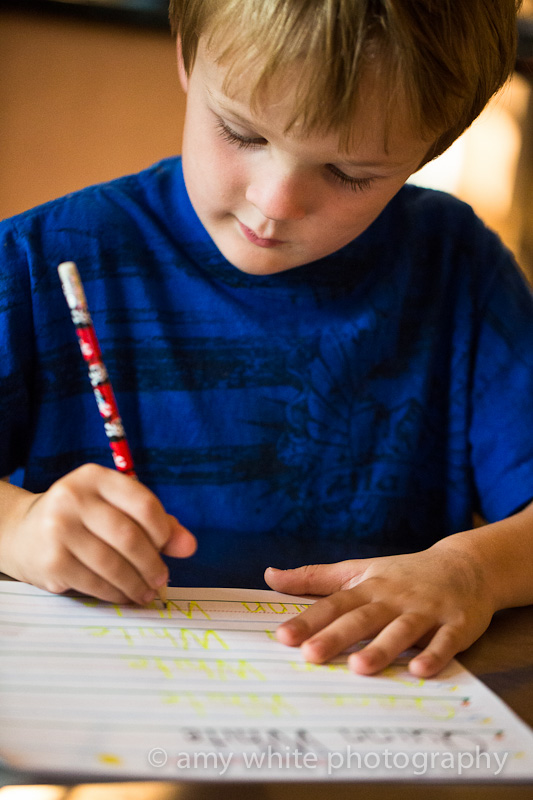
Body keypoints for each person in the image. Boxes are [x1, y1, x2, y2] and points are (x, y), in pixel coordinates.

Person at [0, 0, 532, 679]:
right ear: (187, 53)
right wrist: (17, 529)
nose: (275, 201)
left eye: (348, 173)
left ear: (432, 145)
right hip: (102, 695)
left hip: (369, 704)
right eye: (242, 132)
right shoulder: (39, 261)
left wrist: (471, 572)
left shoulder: (458, 269)